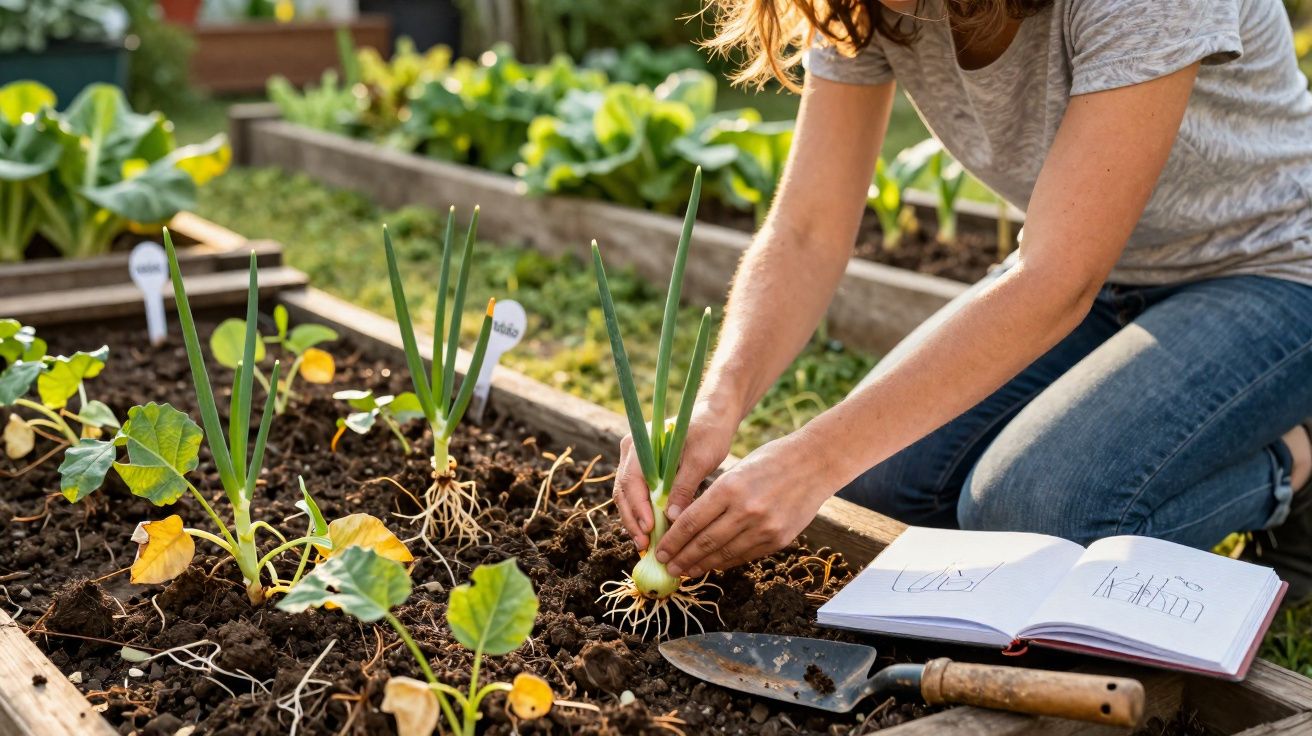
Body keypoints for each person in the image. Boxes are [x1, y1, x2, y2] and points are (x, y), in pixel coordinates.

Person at [611, 0, 1312, 599]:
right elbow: (805, 231)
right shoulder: (864, 6)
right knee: (876, 489)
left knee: (1033, 515)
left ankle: (1293, 461)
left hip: (1275, 268)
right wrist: (717, 401)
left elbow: (1054, 280)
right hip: (1102, 272)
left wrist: (812, 459)